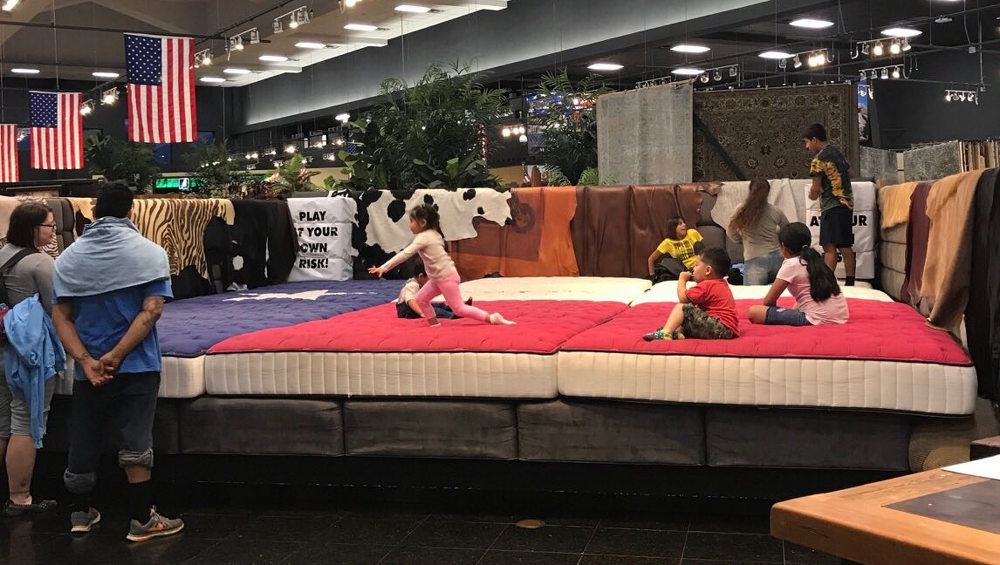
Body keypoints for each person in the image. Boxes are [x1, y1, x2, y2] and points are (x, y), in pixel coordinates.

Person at [52, 184, 184, 541]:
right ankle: (142, 519)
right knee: (136, 436)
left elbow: (61, 316)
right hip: (137, 363)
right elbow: (152, 310)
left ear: (94, 211)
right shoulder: (150, 253)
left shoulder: (68, 259)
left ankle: (80, 514)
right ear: (131, 211)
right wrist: (117, 355)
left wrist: (87, 360)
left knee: (83, 434)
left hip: (89, 368)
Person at [0, 202, 60, 516]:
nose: (54, 232)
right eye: (50, 225)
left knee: (2, 424)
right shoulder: (40, 262)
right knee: (26, 421)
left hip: (2, 345)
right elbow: (57, 308)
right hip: (28, 351)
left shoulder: (2, 254)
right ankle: (20, 497)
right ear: (33, 228)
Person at [369, 204, 514, 326]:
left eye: (412, 221)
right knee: (421, 299)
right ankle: (434, 324)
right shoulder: (434, 234)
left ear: (423, 223)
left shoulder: (424, 237)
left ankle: (492, 318)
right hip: (438, 278)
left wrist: (384, 267)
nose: (409, 225)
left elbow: (406, 254)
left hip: (445, 278)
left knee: (459, 309)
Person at [747, 222, 849, 326]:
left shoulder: (791, 264)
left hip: (816, 319)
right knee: (800, 302)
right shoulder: (818, 261)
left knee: (754, 312)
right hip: (841, 316)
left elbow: (768, 301)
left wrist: (776, 313)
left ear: (783, 246)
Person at [643, 248, 739, 341]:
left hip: (718, 327)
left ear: (708, 270)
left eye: (696, 265)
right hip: (727, 330)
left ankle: (666, 333)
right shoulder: (721, 283)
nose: (693, 269)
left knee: (682, 308)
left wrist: (682, 279)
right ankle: (678, 333)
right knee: (683, 318)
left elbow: (683, 298)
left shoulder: (706, 285)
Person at [803, 123, 856, 286]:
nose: (807, 147)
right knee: (845, 246)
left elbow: (816, 189)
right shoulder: (837, 153)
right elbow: (850, 173)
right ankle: (850, 283)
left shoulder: (818, 160)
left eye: (807, 142)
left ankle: (825, 283)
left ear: (814, 139)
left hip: (831, 205)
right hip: (846, 204)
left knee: (829, 247)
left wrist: (812, 195)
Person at [727, 178, 789, 286]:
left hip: (754, 259)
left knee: (753, 294)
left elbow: (731, 231)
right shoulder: (775, 211)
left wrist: (741, 240)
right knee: (778, 294)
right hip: (778, 258)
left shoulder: (741, 210)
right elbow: (787, 231)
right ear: (768, 192)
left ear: (750, 190)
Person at [396, 259, 472, 320]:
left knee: (440, 305)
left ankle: (458, 309)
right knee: (434, 310)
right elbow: (411, 301)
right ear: (421, 276)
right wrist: (422, 313)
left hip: (417, 306)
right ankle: (452, 315)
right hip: (409, 312)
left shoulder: (419, 282)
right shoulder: (412, 285)